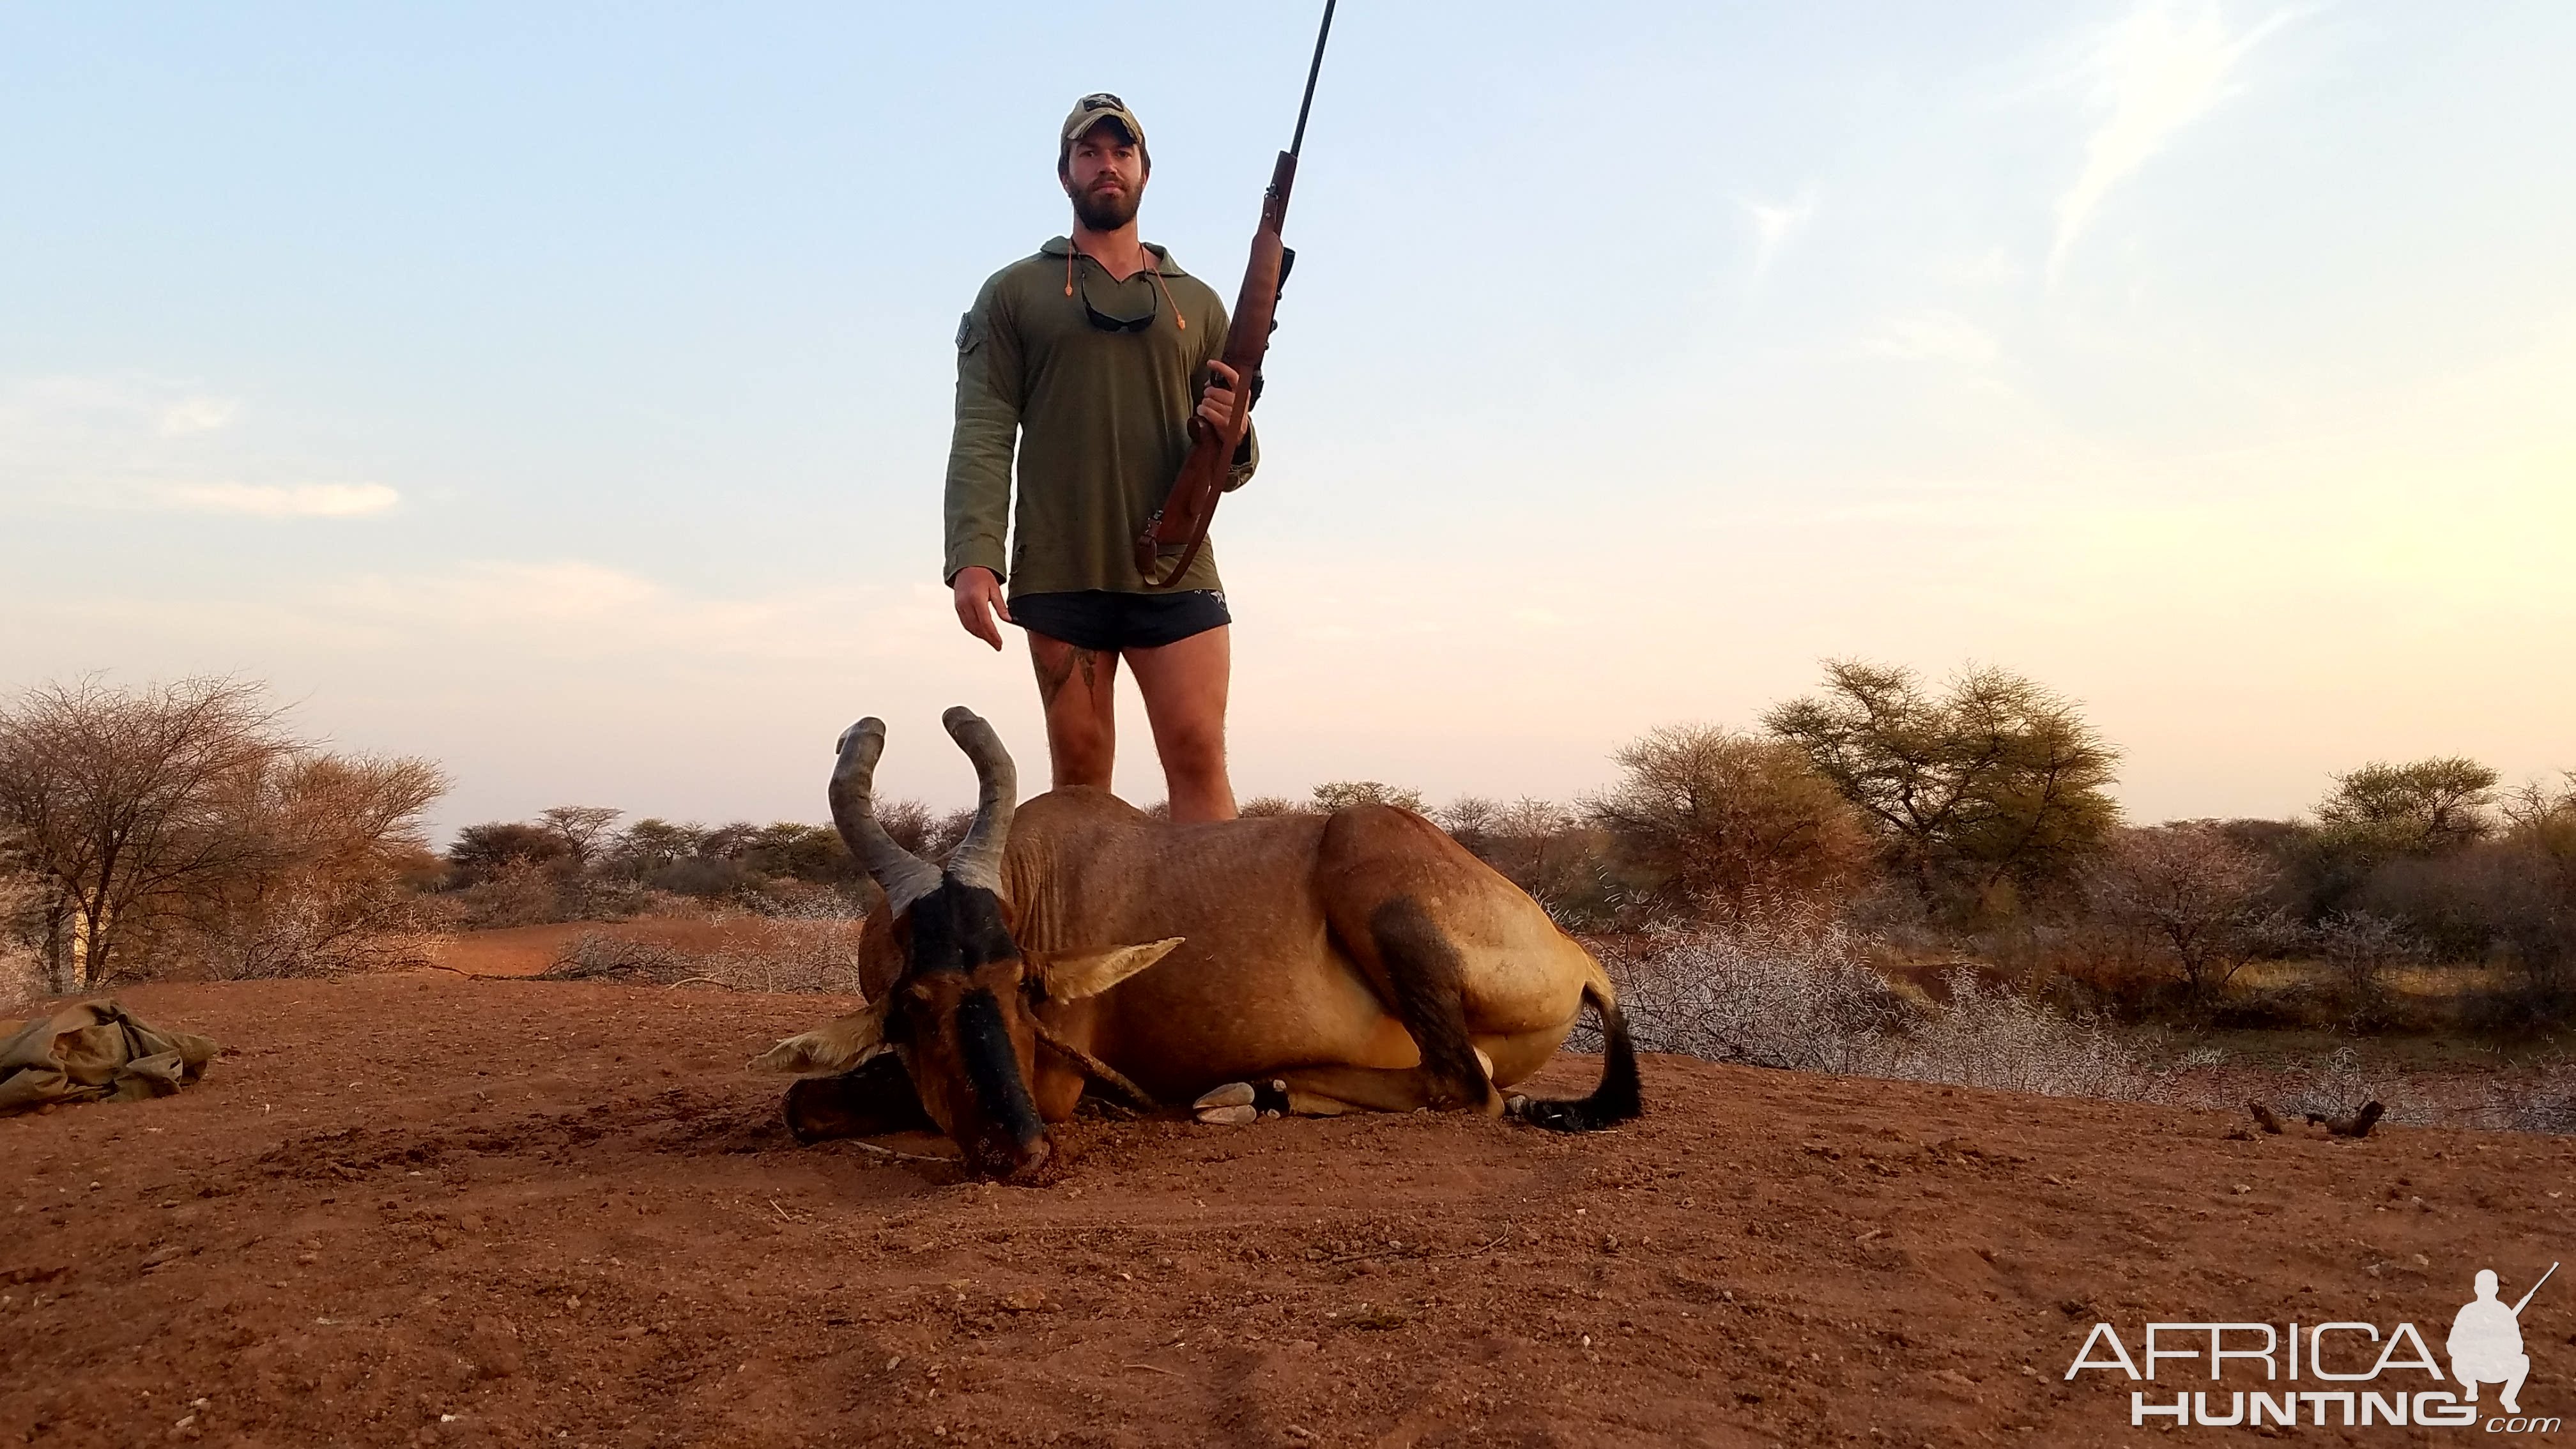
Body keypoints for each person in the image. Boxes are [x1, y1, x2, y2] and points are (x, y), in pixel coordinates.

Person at [944, 93, 1255, 822]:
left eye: (1121, 152)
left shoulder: (1200, 303)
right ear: (1066, 175)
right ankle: (1089, 941)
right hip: (1061, 566)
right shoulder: (1014, 292)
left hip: (1175, 567)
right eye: (1090, 153)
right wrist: (975, 555)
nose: (1106, 165)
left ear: (1145, 171)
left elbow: (1229, 466)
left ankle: (1214, 939)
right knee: (1081, 780)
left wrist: (1235, 436)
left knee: (1198, 759)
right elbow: (984, 427)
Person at [2448, 1268, 2532, 1414]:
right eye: (2482, 1287)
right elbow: (2452, 1345)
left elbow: (2518, 1346)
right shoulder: (2468, 1311)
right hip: (2472, 1366)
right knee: (2457, 1360)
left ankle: (2508, 1398)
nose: (2486, 1291)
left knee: (2523, 1361)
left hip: (2496, 1366)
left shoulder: (2505, 1313)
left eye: (2489, 1287)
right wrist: (2475, 1346)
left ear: (2496, 1289)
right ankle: (2470, 1386)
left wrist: (2498, 1346)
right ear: (2476, 1289)